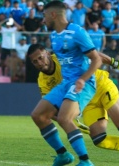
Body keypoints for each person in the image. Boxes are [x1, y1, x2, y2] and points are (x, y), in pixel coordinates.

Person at [27, 44, 119, 164]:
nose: (39, 63)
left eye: (40, 58)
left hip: (101, 86)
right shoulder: (43, 80)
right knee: (99, 140)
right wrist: (68, 121)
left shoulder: (63, 56)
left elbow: (94, 55)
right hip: (88, 102)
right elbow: (49, 109)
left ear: (47, 53)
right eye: (35, 62)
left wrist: (117, 63)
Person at [30, 1, 103, 165]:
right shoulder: (54, 36)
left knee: (64, 118)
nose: (43, 20)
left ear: (53, 15)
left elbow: (96, 59)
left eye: (44, 16)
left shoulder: (77, 32)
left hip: (83, 82)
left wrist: (82, 80)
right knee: (38, 115)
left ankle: (85, 161)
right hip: (66, 83)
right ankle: (63, 155)